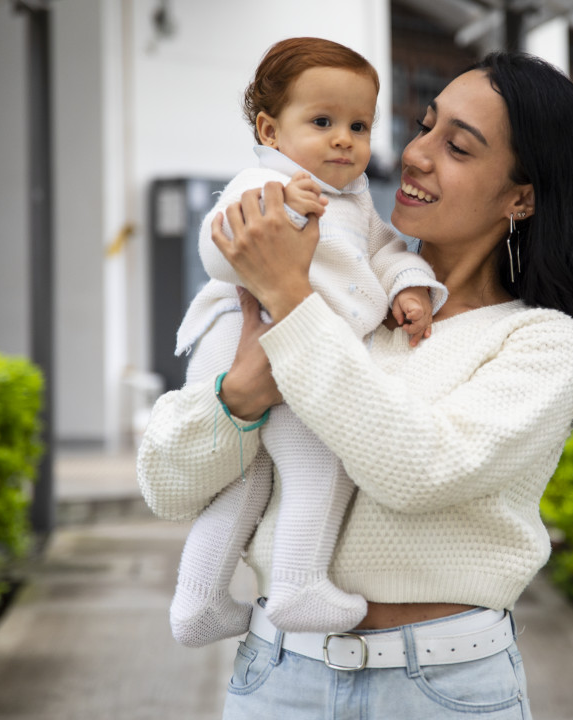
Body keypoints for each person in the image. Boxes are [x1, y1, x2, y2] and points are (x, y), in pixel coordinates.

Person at [138, 51, 573, 717]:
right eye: (423, 126)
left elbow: (418, 469)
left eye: (458, 147)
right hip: (276, 678)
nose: (414, 154)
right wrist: (239, 396)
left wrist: (292, 303)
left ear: (521, 196)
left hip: (441, 689)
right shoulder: (335, 304)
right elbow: (167, 487)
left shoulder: (543, 342)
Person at [168, 37, 448, 648]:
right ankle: (298, 586)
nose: (344, 139)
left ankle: (198, 602)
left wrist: (411, 287)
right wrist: (283, 215)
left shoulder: (356, 202)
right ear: (270, 131)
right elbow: (218, 254)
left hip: (293, 347)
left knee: (245, 482)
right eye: (322, 122)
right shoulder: (262, 184)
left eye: (359, 125)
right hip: (249, 341)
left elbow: (386, 252)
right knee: (320, 462)